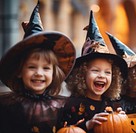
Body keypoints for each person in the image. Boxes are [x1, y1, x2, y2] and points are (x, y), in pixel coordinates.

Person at [0, 1, 76, 133]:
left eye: (46, 68)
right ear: (19, 71)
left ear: (54, 73)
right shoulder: (6, 105)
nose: (39, 73)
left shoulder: (62, 106)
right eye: (32, 67)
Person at [57, 11, 128, 133]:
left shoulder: (112, 103)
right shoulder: (72, 104)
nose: (102, 75)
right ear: (82, 74)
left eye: (107, 72)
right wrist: (88, 125)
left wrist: (121, 118)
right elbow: (65, 130)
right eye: (95, 70)